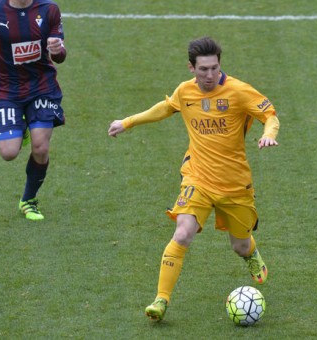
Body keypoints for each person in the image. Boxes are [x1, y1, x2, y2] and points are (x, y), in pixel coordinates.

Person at [108, 37, 280, 322]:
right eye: (203, 69)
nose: (210, 75)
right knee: (182, 233)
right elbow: (165, 108)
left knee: (239, 244)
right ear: (191, 68)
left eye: (214, 68)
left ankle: (250, 253)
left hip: (235, 184)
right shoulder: (185, 92)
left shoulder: (238, 91)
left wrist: (268, 135)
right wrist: (127, 122)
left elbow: (270, 115)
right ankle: (161, 300)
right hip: (197, 177)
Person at [0, 0, 67, 221]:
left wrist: (58, 50)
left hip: (41, 87)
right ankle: (22, 126)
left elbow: (60, 56)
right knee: (9, 152)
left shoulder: (49, 10)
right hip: (6, 90)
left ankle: (28, 200)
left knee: (40, 147)